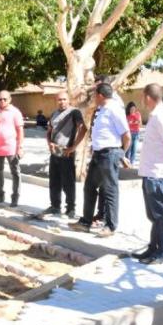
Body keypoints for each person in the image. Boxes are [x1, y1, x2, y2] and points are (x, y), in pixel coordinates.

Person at [69, 83, 131, 237]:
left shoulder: (114, 109)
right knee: (89, 187)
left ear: (100, 95)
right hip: (98, 154)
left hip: (109, 154)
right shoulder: (101, 110)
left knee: (110, 190)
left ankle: (110, 226)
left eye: (95, 95)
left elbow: (126, 136)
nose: (93, 98)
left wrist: (121, 154)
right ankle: (85, 222)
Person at [131, 83, 163, 265]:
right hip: (151, 174)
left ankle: (162, 253)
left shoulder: (161, 117)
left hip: (160, 175)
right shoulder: (155, 116)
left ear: (148, 97)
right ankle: (153, 248)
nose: (142, 100)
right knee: (155, 217)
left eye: (143, 97)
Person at [40, 92, 86, 218]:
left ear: (69, 100)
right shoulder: (54, 114)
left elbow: (83, 128)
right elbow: (49, 131)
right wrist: (49, 143)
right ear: (56, 100)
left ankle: (70, 208)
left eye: (64, 99)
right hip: (55, 153)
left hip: (66, 153)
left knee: (68, 182)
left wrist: (73, 147)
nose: (62, 102)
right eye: (59, 100)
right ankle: (55, 206)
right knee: (54, 181)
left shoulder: (74, 112)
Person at [0, 90, 24, 207]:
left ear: (10, 99)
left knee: (15, 173)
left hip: (12, 148)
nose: (2, 101)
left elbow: (20, 131)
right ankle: (0, 195)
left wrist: (20, 147)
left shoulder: (15, 112)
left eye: (5, 99)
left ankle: (15, 197)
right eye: (0, 99)